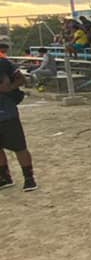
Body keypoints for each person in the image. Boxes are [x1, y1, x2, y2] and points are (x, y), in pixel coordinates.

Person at [0, 49, 38, 192]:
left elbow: (21, 79)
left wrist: (9, 88)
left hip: (6, 112)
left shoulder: (3, 63)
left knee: (19, 147)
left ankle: (29, 178)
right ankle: (4, 177)